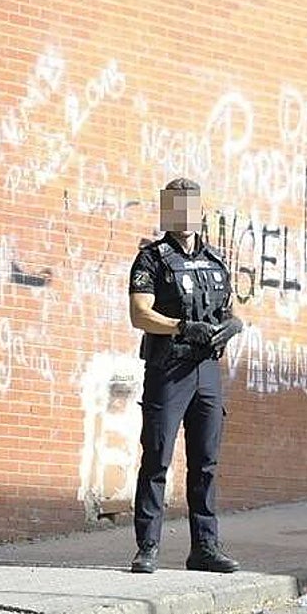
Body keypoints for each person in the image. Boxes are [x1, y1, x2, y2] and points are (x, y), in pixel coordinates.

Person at [127, 177, 244, 574]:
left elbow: (229, 309)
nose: (184, 215)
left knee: (205, 462)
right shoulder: (151, 259)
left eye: (190, 206)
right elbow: (139, 314)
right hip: (169, 370)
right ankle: (148, 547)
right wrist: (180, 327)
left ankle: (205, 548)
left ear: (200, 212)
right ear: (167, 212)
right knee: (157, 458)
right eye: (176, 206)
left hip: (207, 371)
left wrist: (234, 324)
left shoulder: (215, 260)